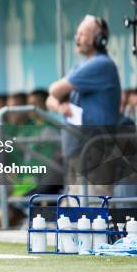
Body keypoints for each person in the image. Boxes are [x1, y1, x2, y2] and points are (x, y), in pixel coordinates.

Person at [47, 15, 121, 195]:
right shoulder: (79, 66)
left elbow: (56, 91)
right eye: (77, 33)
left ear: (99, 39)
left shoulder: (101, 64)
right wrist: (60, 106)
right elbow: (50, 99)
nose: (77, 38)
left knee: (93, 213)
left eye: (83, 34)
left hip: (94, 151)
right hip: (76, 150)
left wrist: (59, 96)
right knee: (75, 214)